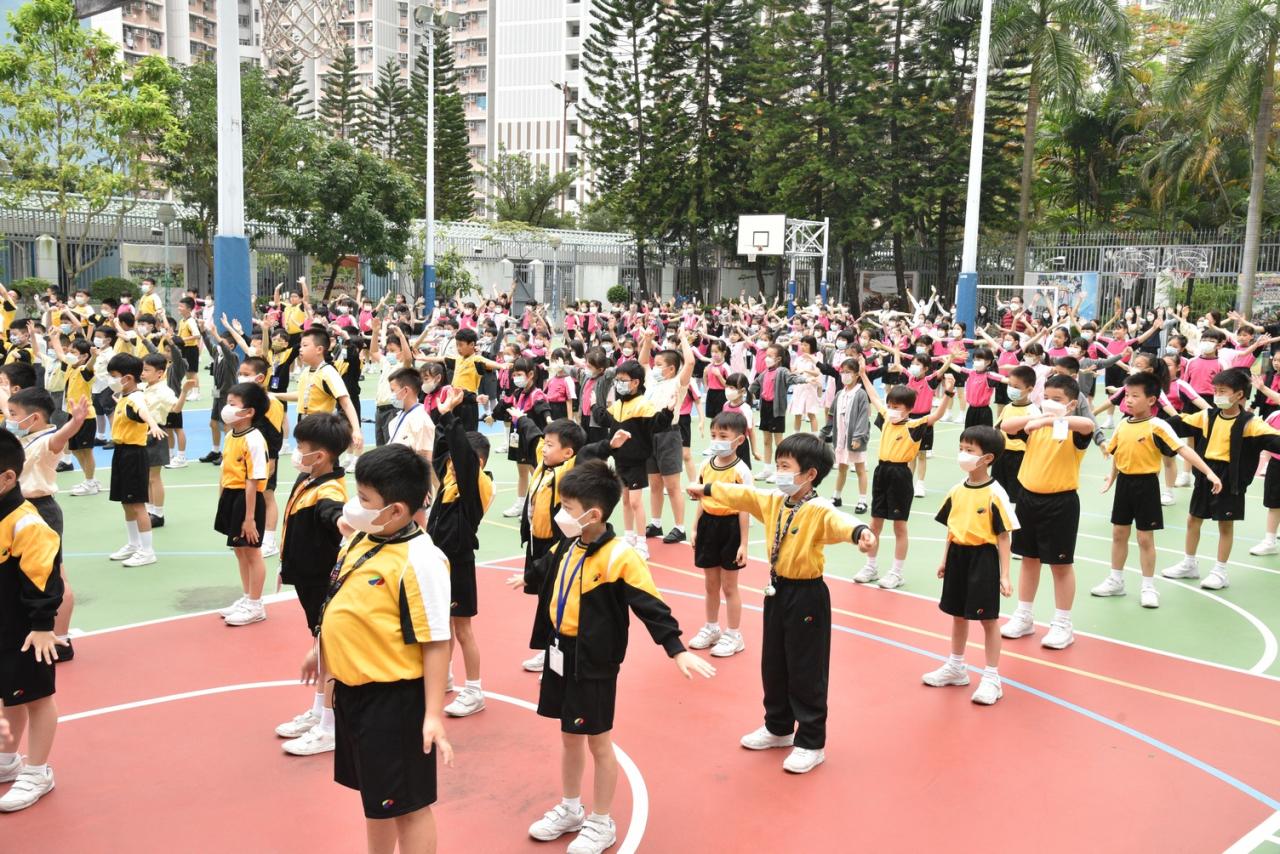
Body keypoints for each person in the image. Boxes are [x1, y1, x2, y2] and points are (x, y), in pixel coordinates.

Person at [520, 460, 715, 852]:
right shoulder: (570, 543)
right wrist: (527, 577)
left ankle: (601, 821)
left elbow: (650, 604)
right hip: (561, 652)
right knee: (569, 735)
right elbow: (548, 568)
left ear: (594, 515)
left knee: (598, 742)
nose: (561, 514)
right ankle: (571, 808)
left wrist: (676, 649)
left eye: (568, 508)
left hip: (593, 662)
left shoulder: (620, 557)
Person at [686, 433, 874, 774]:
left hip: (807, 596)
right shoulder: (775, 500)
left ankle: (811, 742)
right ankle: (778, 727)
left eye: (786, 466)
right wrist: (708, 489)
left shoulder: (818, 509)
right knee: (774, 663)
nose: (779, 472)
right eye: (778, 465)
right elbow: (745, 495)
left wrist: (859, 531)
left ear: (810, 474)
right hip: (777, 590)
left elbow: (839, 521)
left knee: (806, 669)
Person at [308, 444, 453, 854]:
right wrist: (320, 647)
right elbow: (342, 597)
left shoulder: (421, 560)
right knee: (377, 800)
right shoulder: (365, 537)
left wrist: (432, 714)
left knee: (408, 807)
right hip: (354, 695)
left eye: (365, 499)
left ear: (397, 511)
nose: (354, 505)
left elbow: (436, 641)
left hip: (394, 702)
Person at [1093, 373, 1221, 609]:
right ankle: (1115, 580)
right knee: (1119, 534)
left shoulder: (1158, 425)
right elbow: (1118, 453)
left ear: (1151, 400)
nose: (1128, 400)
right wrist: (1112, 476)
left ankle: (1148, 586)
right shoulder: (1122, 424)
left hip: (1146, 486)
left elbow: (1183, 450)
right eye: (1127, 395)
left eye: (1135, 396)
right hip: (1124, 486)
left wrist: (1208, 472)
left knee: (1144, 538)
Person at [273, 413, 350, 757]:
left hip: (323, 582)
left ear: (319, 456)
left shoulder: (328, 491)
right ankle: (319, 710)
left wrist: (343, 522)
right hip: (306, 579)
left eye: (301, 446)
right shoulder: (308, 479)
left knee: (329, 651)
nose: (296, 451)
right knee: (321, 646)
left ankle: (330, 727)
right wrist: (286, 564)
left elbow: (333, 514)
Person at [999, 374, 1096, 649]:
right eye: (1047, 398)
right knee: (1029, 560)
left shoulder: (1073, 430)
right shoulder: (1035, 424)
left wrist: (1052, 420)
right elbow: (1006, 425)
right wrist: (1038, 418)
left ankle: (1063, 623)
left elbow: (1088, 425)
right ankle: (1024, 616)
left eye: (1058, 399)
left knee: (1060, 565)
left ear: (1071, 404)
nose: (1050, 403)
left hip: (1060, 503)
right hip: (1028, 499)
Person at [923, 426, 1017, 705]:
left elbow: (1003, 536)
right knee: (957, 615)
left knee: (988, 620)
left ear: (987, 458)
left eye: (969, 450)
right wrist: (944, 559)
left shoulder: (995, 493)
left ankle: (992, 677)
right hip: (957, 557)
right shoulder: (956, 490)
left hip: (983, 559)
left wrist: (1005, 575)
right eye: (961, 448)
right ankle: (956, 667)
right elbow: (951, 529)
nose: (963, 454)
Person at [1162, 369, 1280, 590]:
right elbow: (1176, 424)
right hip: (1206, 472)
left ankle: (1220, 571)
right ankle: (1189, 564)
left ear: (1239, 395)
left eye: (1222, 391)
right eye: (1215, 391)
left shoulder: (1251, 424)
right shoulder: (1207, 416)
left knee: (1225, 525)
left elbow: (1275, 440)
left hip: (1231, 478)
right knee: (1193, 519)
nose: (1217, 395)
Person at [0, 427, 63, 812]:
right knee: (8, 694)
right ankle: (7, 759)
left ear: (7, 478)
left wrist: (42, 626)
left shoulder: (27, 523)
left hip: (24, 631)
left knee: (36, 698)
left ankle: (38, 771)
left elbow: (45, 578)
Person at [854, 361, 955, 589]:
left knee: (899, 527)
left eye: (897, 407)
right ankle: (871, 566)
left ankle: (896, 572)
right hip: (881, 472)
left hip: (900, 475)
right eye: (890, 405)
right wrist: (863, 375)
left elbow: (937, 415)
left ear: (909, 409)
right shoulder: (886, 417)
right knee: (875, 523)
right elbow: (874, 396)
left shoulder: (914, 425)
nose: (891, 409)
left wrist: (948, 393)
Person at [428, 388, 494, 717]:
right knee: (442, 625)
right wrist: (442, 417)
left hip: (459, 563)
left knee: (462, 629)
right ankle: (445, 676)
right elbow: (440, 451)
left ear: (475, 462)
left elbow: (460, 457)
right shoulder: (450, 478)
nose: (450, 463)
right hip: (440, 562)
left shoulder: (476, 484)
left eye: (458, 458)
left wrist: (452, 415)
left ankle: (474, 689)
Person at [8, 389, 87, 661]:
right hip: (20, 510)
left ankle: (61, 640)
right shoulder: (25, 438)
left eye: (14, 414)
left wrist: (75, 423)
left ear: (34, 418)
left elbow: (58, 439)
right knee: (24, 575)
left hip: (41, 510)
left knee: (55, 577)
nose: (9, 419)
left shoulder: (44, 441)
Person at [516, 418, 586, 673]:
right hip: (537, 543)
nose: (544, 449)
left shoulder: (567, 472)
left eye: (550, 445)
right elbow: (535, 437)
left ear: (567, 453)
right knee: (544, 600)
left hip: (556, 546)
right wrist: (522, 419)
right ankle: (549, 650)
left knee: (559, 601)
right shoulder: (543, 466)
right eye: (545, 444)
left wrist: (609, 445)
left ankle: (560, 655)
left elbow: (588, 453)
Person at [687, 411, 752, 658]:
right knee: (710, 584)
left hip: (731, 527)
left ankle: (734, 634)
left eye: (723, 436)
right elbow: (701, 498)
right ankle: (712, 628)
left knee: (729, 586)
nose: (717, 440)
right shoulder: (706, 465)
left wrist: (744, 543)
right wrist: (695, 527)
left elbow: (745, 507)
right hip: (708, 526)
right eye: (714, 435)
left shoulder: (741, 471)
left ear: (739, 440)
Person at [213, 382, 272, 627]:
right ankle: (247, 597)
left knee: (252, 551)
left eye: (232, 404)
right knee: (239, 550)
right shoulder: (230, 435)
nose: (226, 408)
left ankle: (256, 605)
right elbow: (225, 470)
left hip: (247, 500)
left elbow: (252, 480)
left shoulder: (254, 439)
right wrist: (222, 500)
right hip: (231, 497)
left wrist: (249, 518)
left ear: (249, 412)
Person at [104, 354, 167, 567]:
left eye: (113, 376)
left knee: (138, 504)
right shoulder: (125, 396)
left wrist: (153, 425)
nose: (110, 380)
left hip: (134, 455)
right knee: (126, 503)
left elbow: (142, 411)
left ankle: (147, 551)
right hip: (121, 453)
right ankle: (133, 544)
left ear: (128, 378)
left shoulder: (136, 397)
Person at [272, 327, 363, 453]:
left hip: (321, 426)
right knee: (305, 460)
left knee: (323, 459)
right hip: (304, 422)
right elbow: (302, 395)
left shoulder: (328, 372)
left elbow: (346, 402)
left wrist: (356, 430)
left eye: (305, 345)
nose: (300, 349)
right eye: (301, 346)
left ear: (319, 349)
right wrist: (275, 395)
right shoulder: (306, 371)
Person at [821, 357, 870, 511]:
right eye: (842, 372)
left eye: (848, 372)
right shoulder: (840, 394)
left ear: (856, 374)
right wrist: (823, 433)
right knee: (842, 467)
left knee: (860, 469)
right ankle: (836, 496)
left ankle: (862, 500)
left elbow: (863, 417)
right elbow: (831, 415)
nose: (844, 375)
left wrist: (858, 437)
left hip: (855, 440)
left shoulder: (861, 394)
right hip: (841, 438)